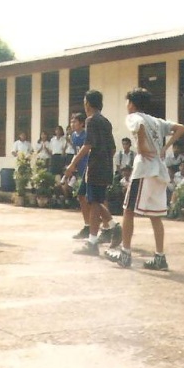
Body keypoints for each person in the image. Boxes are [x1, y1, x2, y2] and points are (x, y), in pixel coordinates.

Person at [105, 87, 184, 270]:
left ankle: (125, 254)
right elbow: (181, 128)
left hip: (144, 169)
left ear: (132, 104)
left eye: (127, 102)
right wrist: (165, 148)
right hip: (160, 172)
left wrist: (142, 147)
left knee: (128, 210)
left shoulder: (134, 117)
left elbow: (139, 127)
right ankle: (160, 257)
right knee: (155, 216)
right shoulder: (156, 121)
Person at [64, 90, 119, 257]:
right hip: (105, 166)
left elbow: (87, 146)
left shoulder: (91, 120)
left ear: (88, 103)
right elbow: (113, 148)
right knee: (94, 200)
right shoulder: (106, 121)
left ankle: (95, 241)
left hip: (95, 166)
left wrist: (72, 164)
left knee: (95, 203)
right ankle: (112, 227)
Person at [67, 112, 91, 239]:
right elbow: (76, 152)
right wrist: (74, 167)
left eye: (75, 122)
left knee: (94, 199)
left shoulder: (86, 135)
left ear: (82, 123)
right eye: (71, 122)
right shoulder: (73, 136)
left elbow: (86, 150)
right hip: (80, 169)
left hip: (90, 168)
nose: (72, 124)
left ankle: (106, 227)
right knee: (81, 196)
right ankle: (88, 225)